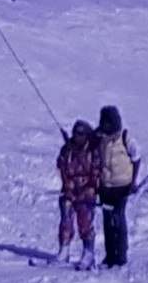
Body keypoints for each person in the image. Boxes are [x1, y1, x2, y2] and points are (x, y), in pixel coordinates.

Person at [96, 105, 140, 268]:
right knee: (108, 220)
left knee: (118, 218)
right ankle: (110, 255)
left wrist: (134, 181)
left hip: (122, 187)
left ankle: (121, 254)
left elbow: (136, 158)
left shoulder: (125, 137)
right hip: (105, 187)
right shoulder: (98, 137)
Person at [56, 120, 101, 269]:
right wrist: (68, 188)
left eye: (81, 134)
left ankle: (88, 252)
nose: (77, 137)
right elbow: (63, 170)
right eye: (75, 133)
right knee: (66, 215)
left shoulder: (93, 151)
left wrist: (86, 191)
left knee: (85, 220)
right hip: (71, 190)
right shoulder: (67, 150)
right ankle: (64, 249)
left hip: (87, 192)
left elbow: (96, 175)